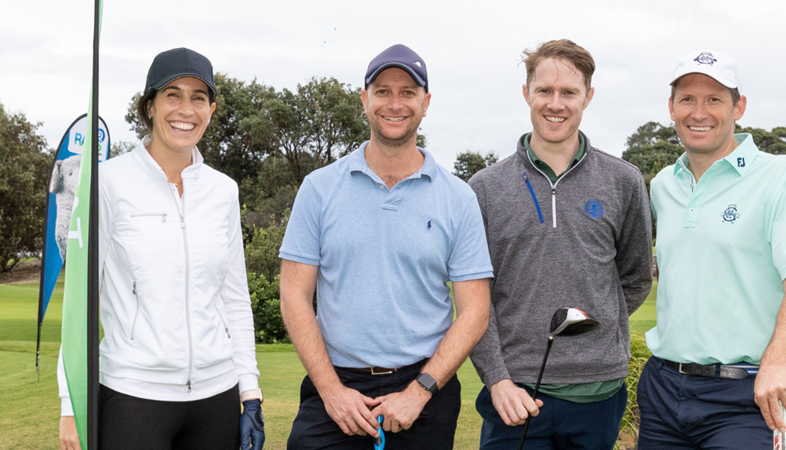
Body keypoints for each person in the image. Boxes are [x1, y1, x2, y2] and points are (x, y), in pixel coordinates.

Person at [279, 44, 493, 450]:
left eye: (408, 92)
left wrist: (420, 390)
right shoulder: (320, 188)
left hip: (425, 388)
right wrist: (331, 391)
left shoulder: (458, 197)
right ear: (364, 99)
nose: (395, 103)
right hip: (336, 386)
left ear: (426, 103)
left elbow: (475, 311)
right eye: (382, 91)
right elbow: (294, 295)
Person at [57, 47, 265, 450]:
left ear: (211, 109)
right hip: (133, 397)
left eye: (198, 97)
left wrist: (250, 392)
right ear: (149, 106)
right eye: (172, 94)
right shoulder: (106, 181)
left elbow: (234, 299)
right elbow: (81, 301)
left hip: (216, 396)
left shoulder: (224, 191)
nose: (185, 109)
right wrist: (70, 404)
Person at [467, 39, 654, 450]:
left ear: (588, 96)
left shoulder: (624, 181)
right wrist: (497, 378)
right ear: (526, 94)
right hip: (512, 393)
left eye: (569, 92)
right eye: (544, 91)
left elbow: (636, 277)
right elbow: (473, 300)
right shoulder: (484, 188)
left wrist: (597, 324)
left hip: (597, 392)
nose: (556, 103)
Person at [636, 49, 786, 449]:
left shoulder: (781, 175)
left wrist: (776, 365)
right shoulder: (662, 186)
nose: (698, 112)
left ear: (739, 107)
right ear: (671, 108)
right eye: (687, 99)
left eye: (714, 99)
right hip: (663, 391)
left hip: (744, 396)